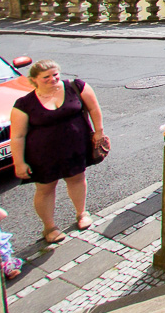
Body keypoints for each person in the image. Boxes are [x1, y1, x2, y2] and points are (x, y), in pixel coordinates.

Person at [9, 60, 104, 243]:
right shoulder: (24, 104)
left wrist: (99, 132)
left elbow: (94, 108)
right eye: (46, 77)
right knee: (45, 188)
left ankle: (81, 213)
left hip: (74, 147)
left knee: (77, 179)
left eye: (55, 75)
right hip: (43, 155)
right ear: (34, 80)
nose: (52, 79)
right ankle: (49, 227)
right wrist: (19, 162)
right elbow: (18, 136)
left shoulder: (76, 86)